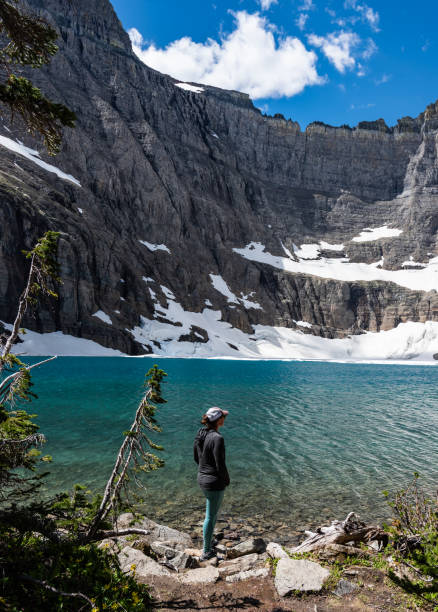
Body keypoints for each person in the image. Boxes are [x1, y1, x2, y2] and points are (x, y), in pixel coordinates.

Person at [193, 406, 230, 561]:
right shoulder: (218, 438)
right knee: (211, 515)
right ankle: (206, 551)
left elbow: (197, 458)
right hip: (213, 482)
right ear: (218, 420)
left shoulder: (201, 434)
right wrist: (226, 480)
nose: (225, 419)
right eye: (223, 416)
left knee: (211, 513)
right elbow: (219, 464)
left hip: (202, 478)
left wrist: (205, 472)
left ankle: (208, 541)